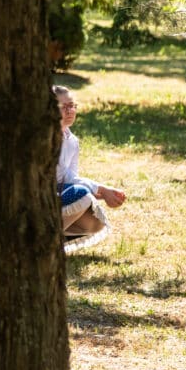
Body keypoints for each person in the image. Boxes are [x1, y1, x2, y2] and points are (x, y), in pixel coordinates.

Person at [54, 85, 126, 252]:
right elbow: (61, 175)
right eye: (63, 106)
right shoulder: (43, 138)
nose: (70, 111)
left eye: (72, 106)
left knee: (94, 223)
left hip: (56, 193)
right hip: (36, 198)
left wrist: (102, 193)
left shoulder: (72, 141)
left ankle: (48, 239)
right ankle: (43, 244)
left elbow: (70, 178)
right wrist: (101, 189)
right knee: (82, 195)